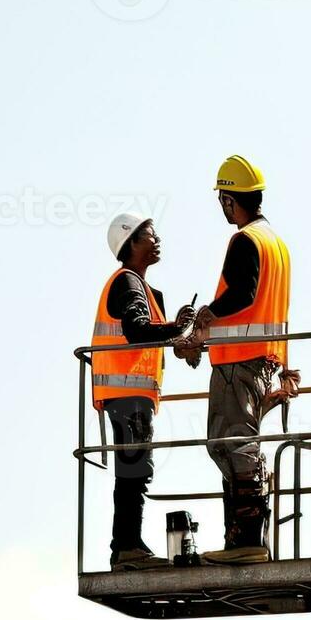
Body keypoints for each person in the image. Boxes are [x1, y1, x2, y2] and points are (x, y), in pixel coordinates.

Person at [175, 156, 299, 565]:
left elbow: (243, 296)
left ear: (230, 201)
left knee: (232, 446)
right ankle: (241, 539)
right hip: (262, 361)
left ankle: (247, 540)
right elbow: (269, 307)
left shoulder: (245, 241)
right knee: (233, 445)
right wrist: (283, 366)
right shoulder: (276, 244)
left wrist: (206, 317)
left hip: (239, 364)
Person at [91, 213, 196, 570]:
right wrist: (174, 329)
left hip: (129, 396)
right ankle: (127, 548)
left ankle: (126, 547)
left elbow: (150, 333)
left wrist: (177, 335)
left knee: (134, 468)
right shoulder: (128, 283)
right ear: (131, 243)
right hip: (126, 395)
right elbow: (138, 331)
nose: (157, 239)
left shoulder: (142, 288)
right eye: (150, 235)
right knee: (134, 469)